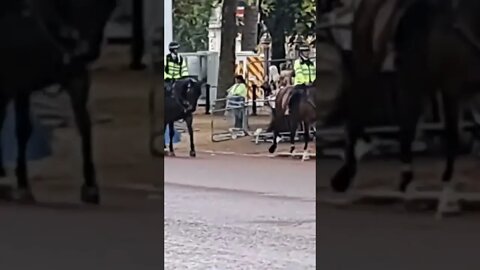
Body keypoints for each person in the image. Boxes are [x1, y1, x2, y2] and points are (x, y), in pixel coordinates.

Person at [164, 41, 190, 113]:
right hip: (168, 79)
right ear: (172, 50)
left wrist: (185, 77)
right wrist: (167, 77)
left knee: (185, 90)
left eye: (177, 49)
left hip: (178, 80)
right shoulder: (166, 58)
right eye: (175, 49)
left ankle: (184, 105)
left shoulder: (180, 58)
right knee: (166, 90)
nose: (177, 51)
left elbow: (184, 68)